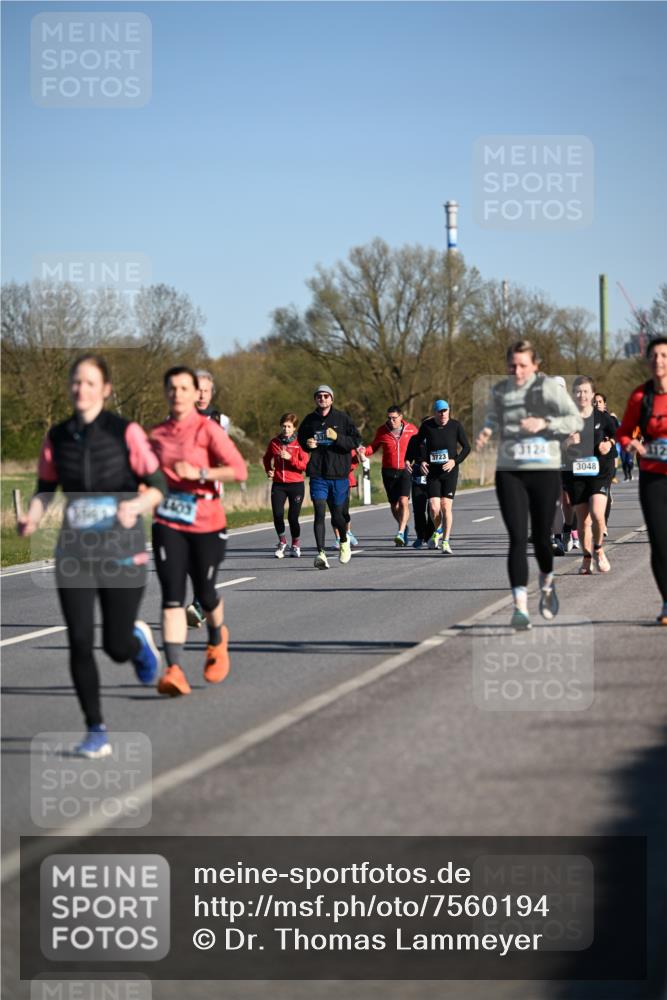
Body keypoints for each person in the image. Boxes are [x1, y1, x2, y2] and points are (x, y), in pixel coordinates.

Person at [17, 355, 167, 758]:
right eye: (75, 382)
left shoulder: (126, 432)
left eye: (89, 382)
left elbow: (157, 484)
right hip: (74, 555)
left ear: (105, 389)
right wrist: (30, 519)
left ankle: (135, 641)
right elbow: (46, 487)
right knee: (80, 642)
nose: (80, 389)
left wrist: (136, 507)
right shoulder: (59, 436)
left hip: (122, 553)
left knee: (114, 647)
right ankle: (95, 728)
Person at [149, 366, 248, 695]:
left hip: (206, 518)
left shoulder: (208, 430)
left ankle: (217, 637)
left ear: (196, 394)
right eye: (171, 388)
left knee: (205, 592)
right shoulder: (157, 435)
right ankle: (174, 669)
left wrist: (199, 471)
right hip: (168, 521)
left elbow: (238, 469)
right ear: (166, 393)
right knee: (172, 596)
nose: (177, 393)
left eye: (184, 388)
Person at [475, 340, 582, 630]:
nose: (517, 370)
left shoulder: (549, 390)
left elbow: (575, 420)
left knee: (542, 540)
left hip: (543, 471)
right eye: (512, 365)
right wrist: (486, 431)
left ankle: (547, 582)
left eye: (523, 365)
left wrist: (544, 423)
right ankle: (520, 606)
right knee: (518, 538)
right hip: (510, 471)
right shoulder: (500, 391)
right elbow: (493, 418)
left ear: (535, 366)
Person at [618, 337, 667, 625]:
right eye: (654, 356)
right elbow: (625, 431)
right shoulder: (640, 396)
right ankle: (666, 600)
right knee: (660, 543)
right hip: (653, 478)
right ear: (648, 362)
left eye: (664, 355)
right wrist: (632, 444)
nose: (659, 360)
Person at [297, 384, 362, 569]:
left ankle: (343, 541)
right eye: (319, 396)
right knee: (318, 511)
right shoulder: (310, 420)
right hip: (318, 473)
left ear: (332, 399)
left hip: (339, 474)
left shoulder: (342, 418)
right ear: (315, 399)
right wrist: (307, 444)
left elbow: (355, 441)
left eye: (326, 396)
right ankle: (321, 554)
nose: (323, 399)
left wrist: (337, 437)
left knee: (338, 516)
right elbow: (302, 440)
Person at [185, 369, 231, 626]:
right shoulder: (178, 417)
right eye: (197, 389)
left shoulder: (221, 420)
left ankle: (201, 602)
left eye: (206, 390)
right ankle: (202, 599)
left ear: (211, 392)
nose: (202, 394)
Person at [561, 376, 617, 575]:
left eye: (585, 391)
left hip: (599, 472)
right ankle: (586, 557)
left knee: (597, 513)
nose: (582, 395)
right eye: (578, 391)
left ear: (592, 394)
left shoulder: (602, 418)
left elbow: (616, 432)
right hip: (575, 474)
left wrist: (608, 444)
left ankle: (599, 549)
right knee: (583, 521)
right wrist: (567, 442)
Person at [416, 400, 470, 555]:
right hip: (433, 473)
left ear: (449, 411)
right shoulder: (427, 427)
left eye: (445, 410)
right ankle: (438, 529)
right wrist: (421, 461)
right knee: (434, 508)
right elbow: (416, 445)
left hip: (449, 473)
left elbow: (467, 447)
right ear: (435, 413)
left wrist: (455, 461)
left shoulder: (456, 426)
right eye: (440, 411)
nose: (443, 414)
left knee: (446, 506)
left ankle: (445, 541)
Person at [364, 405, 418, 546]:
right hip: (388, 471)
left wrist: (419, 461)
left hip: (406, 470)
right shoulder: (382, 431)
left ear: (401, 417)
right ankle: (403, 526)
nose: (391, 421)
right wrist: (363, 451)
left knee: (403, 501)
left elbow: (420, 446)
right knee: (394, 505)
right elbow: (373, 447)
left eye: (394, 418)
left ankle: (400, 532)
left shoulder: (412, 430)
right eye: (389, 418)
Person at [262, 412, 309, 558]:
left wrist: (290, 458)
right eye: (284, 426)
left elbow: (304, 466)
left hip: (296, 485)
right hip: (278, 484)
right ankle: (282, 542)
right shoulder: (274, 442)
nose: (286, 429)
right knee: (277, 515)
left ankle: (295, 544)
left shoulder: (299, 443)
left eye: (289, 426)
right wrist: (269, 470)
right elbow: (266, 458)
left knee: (293, 518)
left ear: (294, 428)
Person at [405, 419, 437, 548]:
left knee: (433, 508)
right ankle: (420, 536)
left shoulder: (437, 438)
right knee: (418, 509)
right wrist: (407, 462)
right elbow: (408, 456)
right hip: (418, 476)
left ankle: (430, 536)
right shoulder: (414, 439)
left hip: (434, 476)